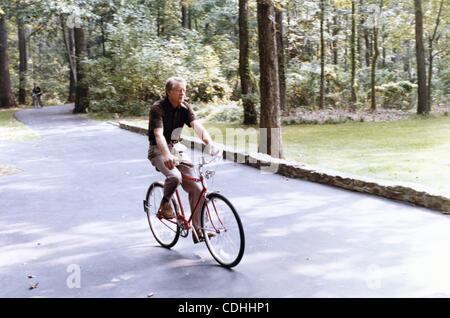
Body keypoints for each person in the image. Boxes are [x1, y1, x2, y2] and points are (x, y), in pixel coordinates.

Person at [147, 77, 222, 243]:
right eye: (179, 90)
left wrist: (210, 143)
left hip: (177, 148)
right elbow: (158, 135)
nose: (183, 93)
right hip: (158, 150)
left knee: (197, 187)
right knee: (175, 177)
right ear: (169, 92)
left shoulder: (184, 107)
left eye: (184, 90)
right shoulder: (157, 108)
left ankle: (200, 229)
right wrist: (166, 155)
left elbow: (197, 126)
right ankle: (165, 204)